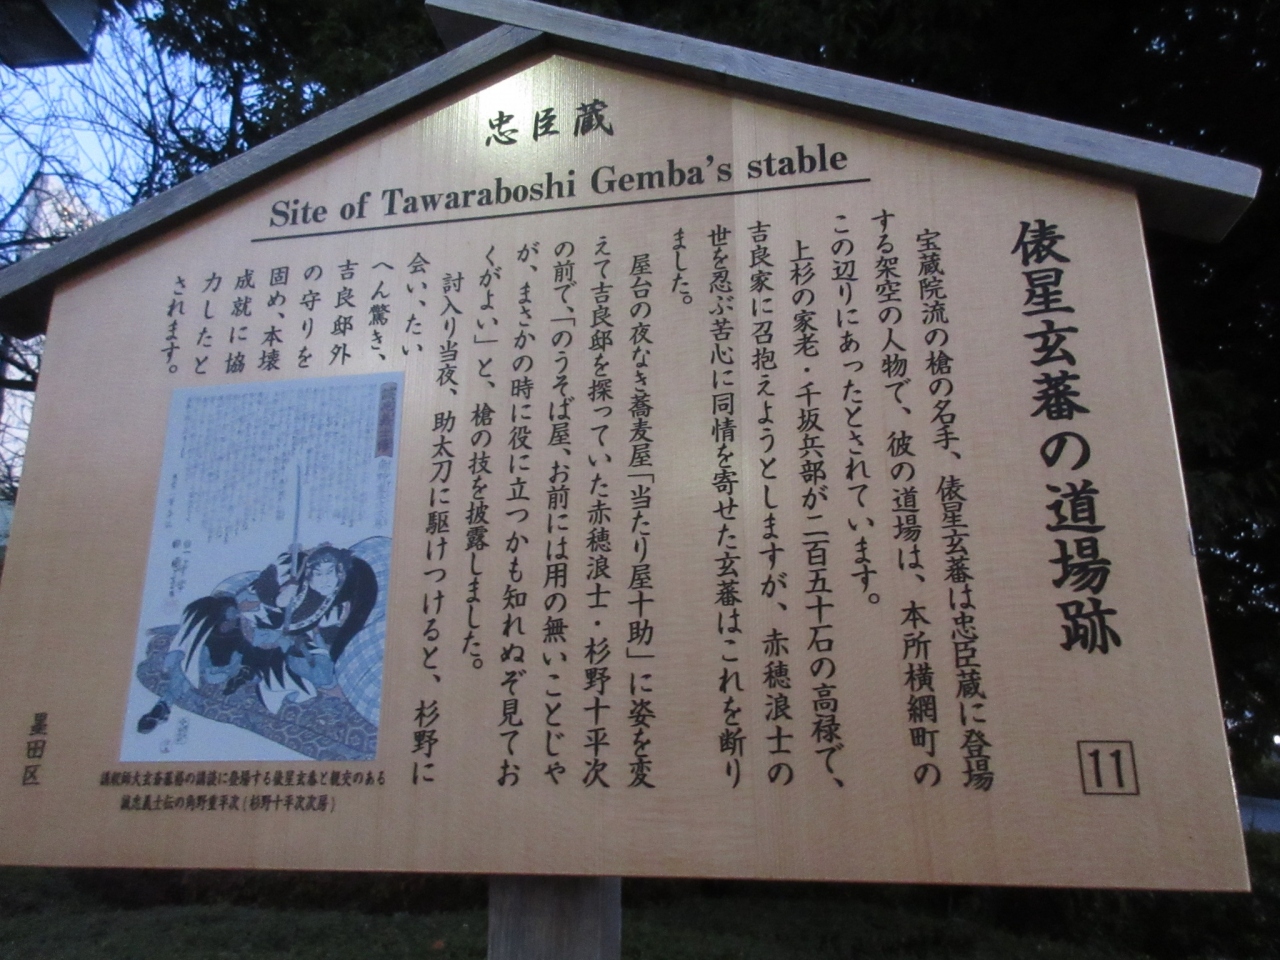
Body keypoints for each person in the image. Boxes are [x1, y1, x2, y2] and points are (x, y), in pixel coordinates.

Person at [135, 542, 377, 734]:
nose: (324, 579)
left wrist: (310, 642)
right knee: (205, 645)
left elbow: (325, 636)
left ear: (339, 574)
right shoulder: (289, 573)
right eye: (318, 573)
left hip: (281, 645)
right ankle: (165, 703)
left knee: (317, 671)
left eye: (330, 573)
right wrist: (279, 598)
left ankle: (249, 672)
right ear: (309, 572)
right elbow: (257, 592)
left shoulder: (336, 603)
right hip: (247, 626)